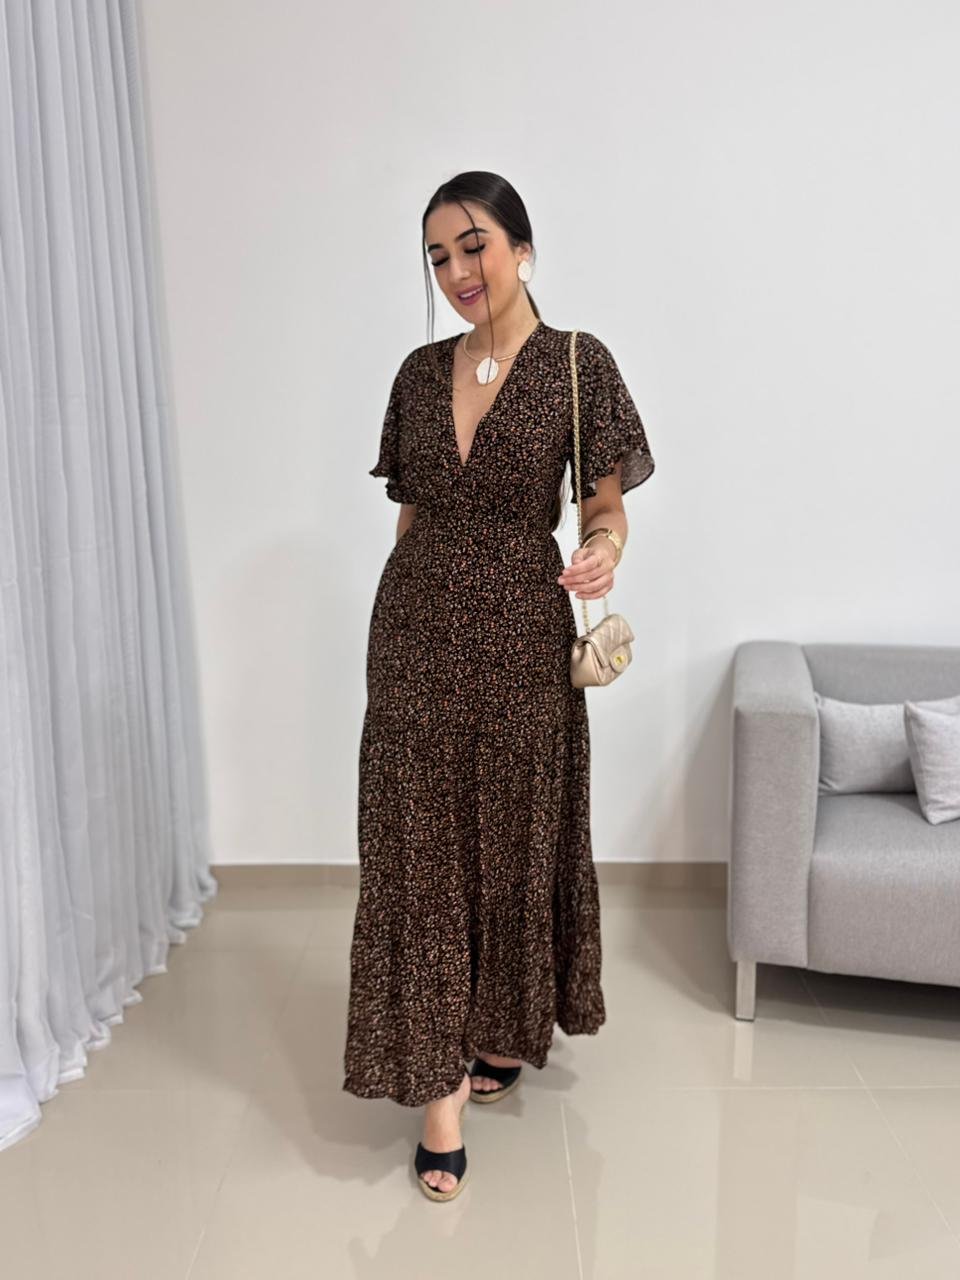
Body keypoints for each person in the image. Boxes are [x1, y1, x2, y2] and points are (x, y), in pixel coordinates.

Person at [342, 171, 655, 1202]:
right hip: (414, 638)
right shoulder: (417, 372)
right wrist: (405, 613)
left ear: (521, 246)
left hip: (522, 638)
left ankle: (502, 1023)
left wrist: (603, 549)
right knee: (420, 857)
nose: (456, 271)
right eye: (438, 256)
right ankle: (438, 1096)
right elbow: (410, 515)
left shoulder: (577, 363)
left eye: (473, 245)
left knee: (511, 842)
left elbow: (605, 506)